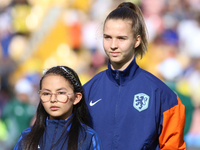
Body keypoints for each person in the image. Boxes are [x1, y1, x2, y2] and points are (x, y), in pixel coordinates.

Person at [83, 2, 186, 150]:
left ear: (136, 40)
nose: (113, 45)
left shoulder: (163, 95)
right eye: (107, 37)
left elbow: (173, 146)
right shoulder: (87, 91)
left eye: (121, 38)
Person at [14, 66, 102, 150]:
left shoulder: (88, 137)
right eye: (46, 93)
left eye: (61, 93)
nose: (53, 99)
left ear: (76, 98)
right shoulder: (27, 136)